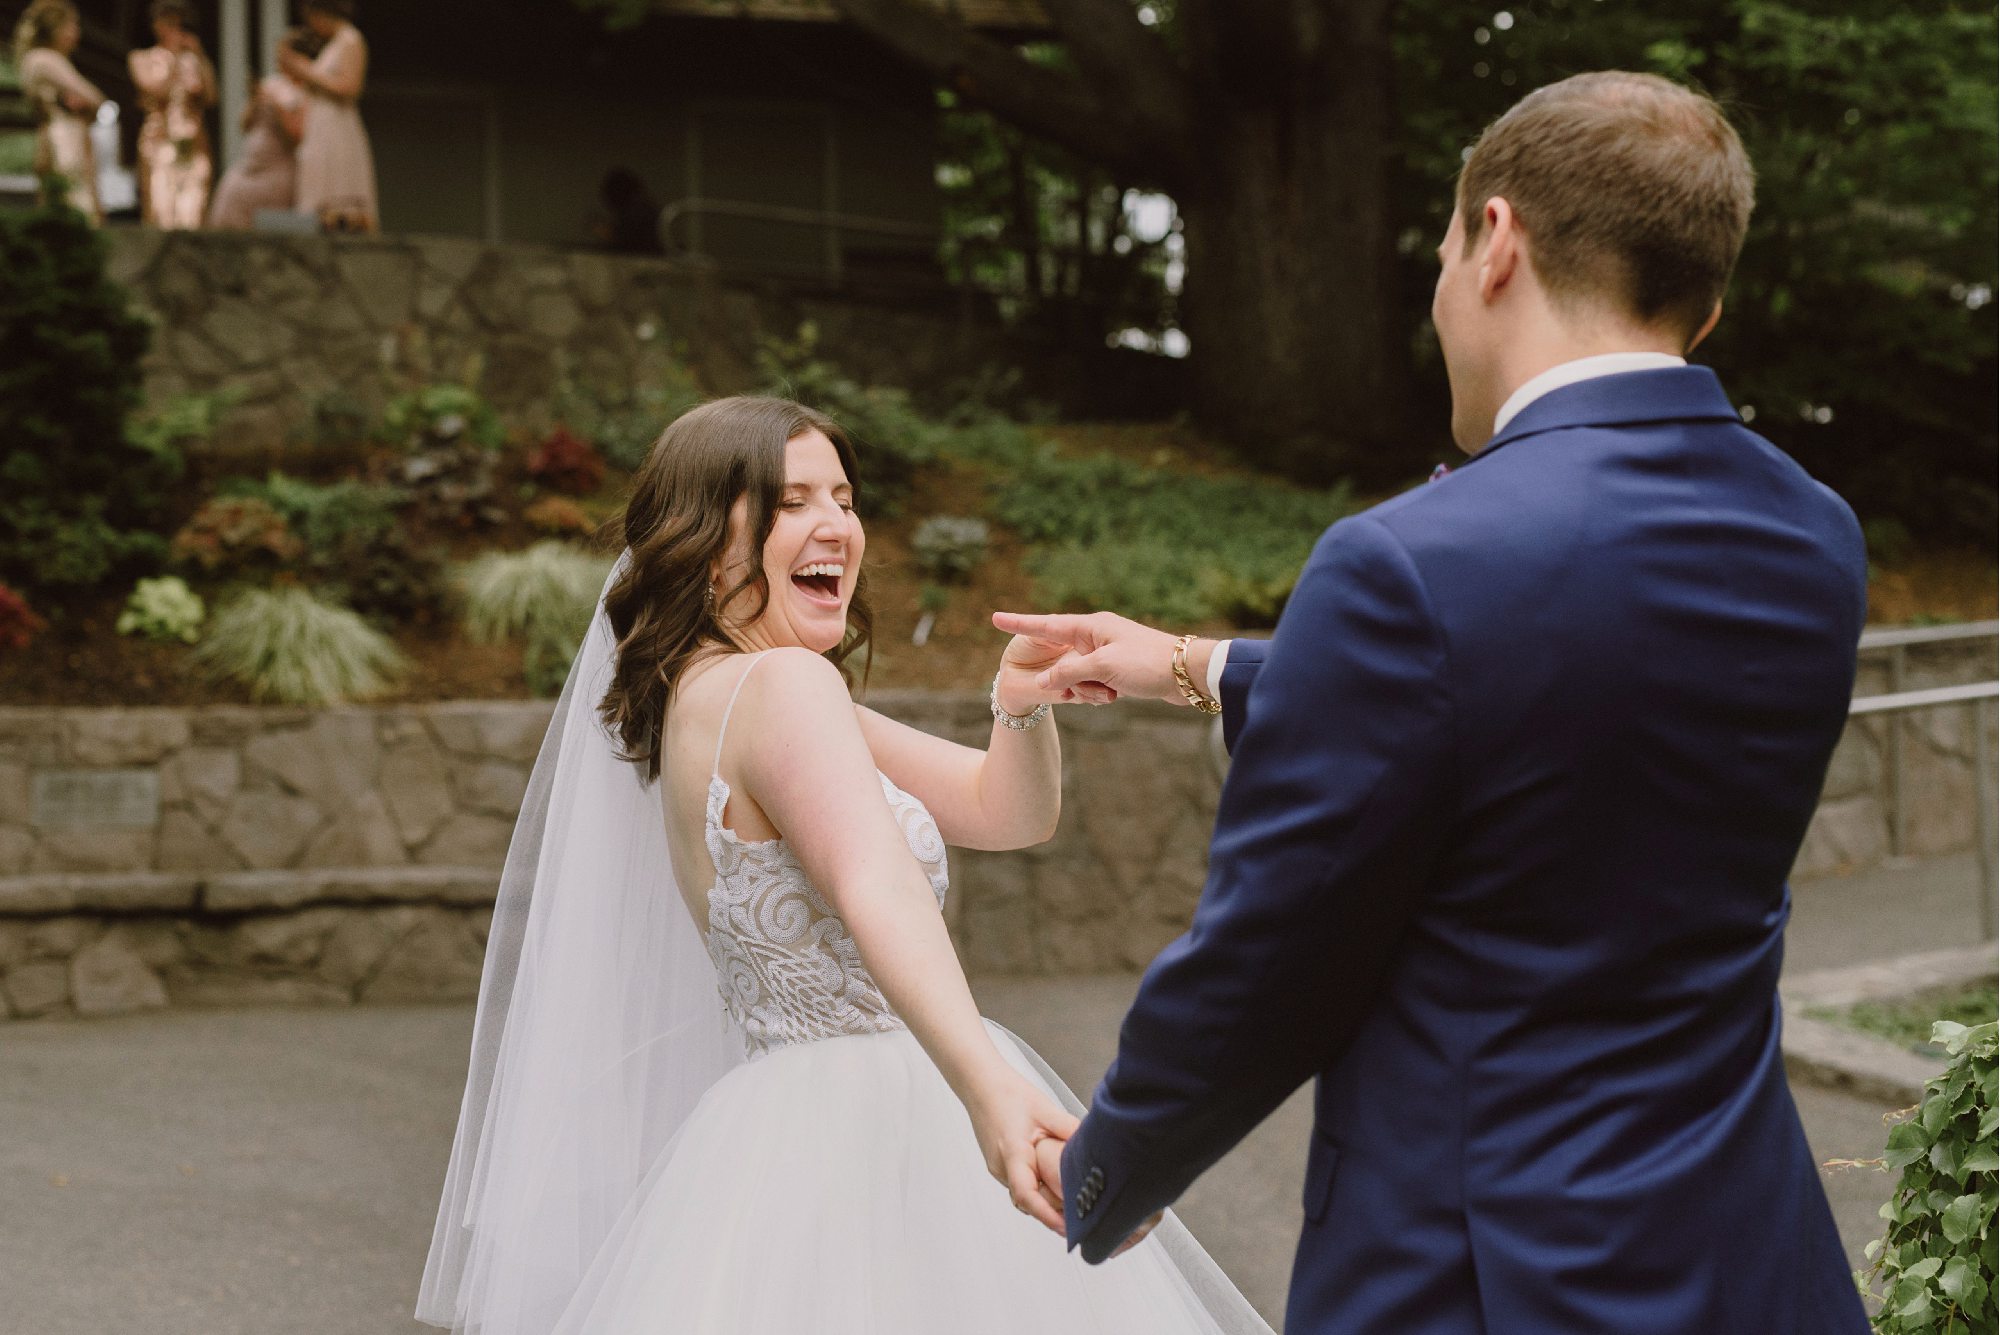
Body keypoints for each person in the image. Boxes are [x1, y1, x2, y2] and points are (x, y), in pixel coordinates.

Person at [998, 72, 1873, 1333]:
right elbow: (1575, 713)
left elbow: (1267, 966)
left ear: (1495, 242)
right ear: (1707, 301)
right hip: (1747, 1255)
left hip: (1484, 1277)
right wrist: (1198, 663)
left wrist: (1110, 1169)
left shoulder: (1407, 562)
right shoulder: (1811, 533)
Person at [416, 396, 1270, 1335]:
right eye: (790, 502)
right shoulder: (784, 687)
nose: (836, 525)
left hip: (774, 1132)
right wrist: (990, 1089)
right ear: (708, 540)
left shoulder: (712, 693)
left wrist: (1020, 701)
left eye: (845, 497)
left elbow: (1007, 812)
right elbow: (874, 882)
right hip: (872, 1127)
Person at [279, 0, 374, 232]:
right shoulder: (333, 44)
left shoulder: (350, 40)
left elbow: (350, 87)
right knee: (317, 195)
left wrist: (305, 70)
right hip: (320, 127)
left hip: (337, 127)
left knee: (341, 198)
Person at [206, 27, 315, 229]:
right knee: (226, 202)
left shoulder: (306, 92)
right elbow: (244, 125)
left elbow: (296, 135)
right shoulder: (272, 83)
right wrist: (255, 98)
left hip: (277, 169)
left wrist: (277, 107)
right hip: (251, 164)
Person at [128, 0, 216, 230]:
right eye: (169, 23)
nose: (175, 29)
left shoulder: (193, 60)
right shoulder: (142, 58)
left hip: (192, 143)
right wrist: (174, 58)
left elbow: (211, 97)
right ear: (156, 25)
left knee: (193, 210)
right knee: (160, 209)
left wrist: (200, 57)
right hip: (158, 142)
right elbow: (157, 92)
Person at [13, 0, 104, 222]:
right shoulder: (44, 59)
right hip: (64, 137)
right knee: (73, 196)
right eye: (72, 25)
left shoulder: (40, 60)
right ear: (56, 28)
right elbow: (94, 97)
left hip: (59, 133)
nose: (77, 33)